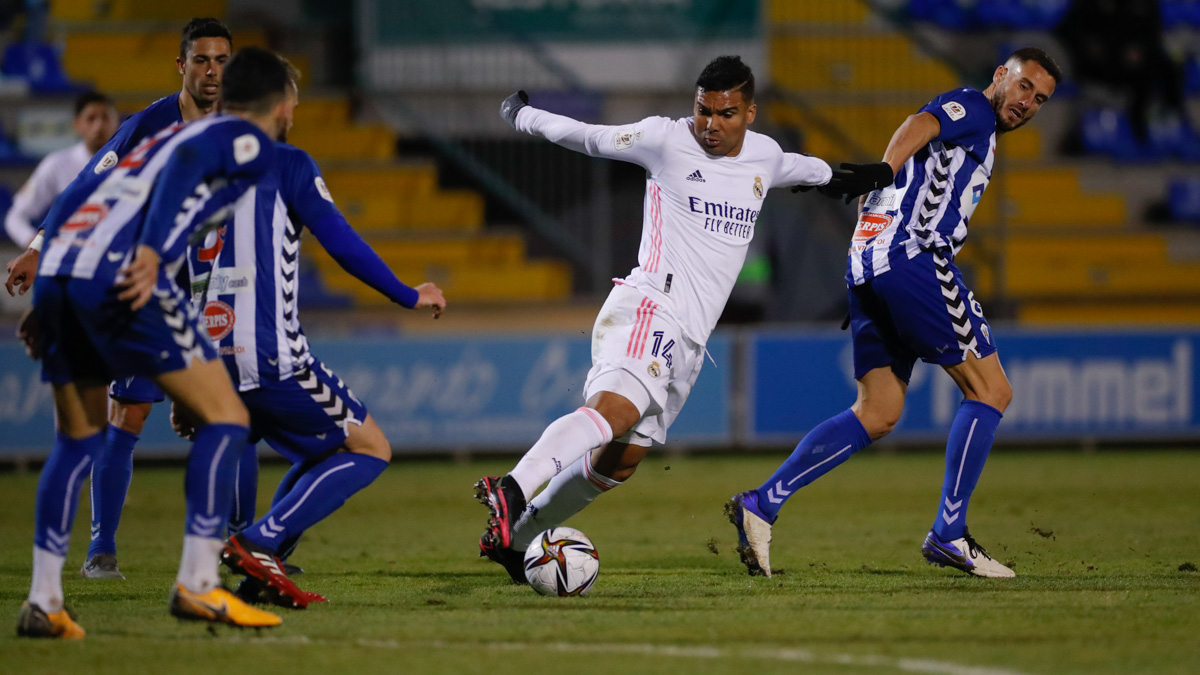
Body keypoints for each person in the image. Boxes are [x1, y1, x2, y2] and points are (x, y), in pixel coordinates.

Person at [473, 56, 881, 582]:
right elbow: (584, 135)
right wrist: (521, 116)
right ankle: (511, 489)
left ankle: (517, 542)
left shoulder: (765, 156)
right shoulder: (664, 139)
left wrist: (855, 174)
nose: (711, 125)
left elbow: (806, 171)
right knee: (615, 412)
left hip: (690, 339)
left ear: (750, 113)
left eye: (726, 114)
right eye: (703, 111)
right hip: (650, 306)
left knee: (618, 462)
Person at [726, 48, 1062, 579]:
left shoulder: (980, 131)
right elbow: (920, 122)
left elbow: (916, 151)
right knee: (991, 390)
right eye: (1024, 87)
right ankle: (948, 533)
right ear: (1000, 75)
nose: (1028, 103)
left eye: (1040, 99)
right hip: (914, 258)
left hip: (870, 261)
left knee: (878, 410)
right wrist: (884, 167)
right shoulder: (974, 107)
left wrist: (877, 194)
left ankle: (761, 504)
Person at [16, 46, 295, 639]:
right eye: (291, 97)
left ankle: (44, 600)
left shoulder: (151, 135)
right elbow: (178, 208)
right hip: (130, 278)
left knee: (76, 438)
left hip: (72, 273)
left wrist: (49, 275)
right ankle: (198, 586)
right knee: (227, 414)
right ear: (274, 103)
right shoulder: (242, 142)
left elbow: (83, 194)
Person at [172, 64, 446, 609]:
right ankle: (258, 543)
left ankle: (259, 567)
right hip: (271, 355)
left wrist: (185, 375)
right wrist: (407, 294)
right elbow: (341, 243)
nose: (295, 113)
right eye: (293, 102)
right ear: (276, 105)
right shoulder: (287, 163)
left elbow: (173, 268)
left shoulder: (190, 164)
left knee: (324, 450)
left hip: (206, 355)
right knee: (369, 448)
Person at [5, 17, 236, 580]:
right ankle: (99, 549)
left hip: (213, 291)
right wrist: (38, 246)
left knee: (231, 417)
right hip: (141, 290)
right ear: (181, 66)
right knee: (126, 416)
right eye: (201, 60)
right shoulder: (148, 125)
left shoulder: (237, 128)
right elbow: (85, 185)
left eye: (222, 62)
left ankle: (241, 548)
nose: (212, 72)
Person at [4, 91, 119, 248]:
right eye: (91, 118)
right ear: (77, 124)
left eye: (105, 117)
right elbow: (15, 218)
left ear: (116, 122)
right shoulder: (57, 164)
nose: (98, 125)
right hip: (66, 259)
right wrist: (35, 248)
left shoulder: (132, 162)